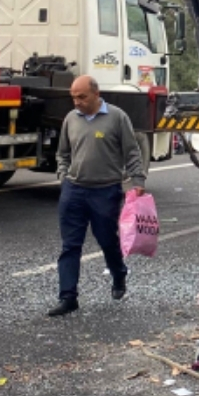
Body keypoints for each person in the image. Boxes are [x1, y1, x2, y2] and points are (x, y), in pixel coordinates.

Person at [49, 75, 147, 317]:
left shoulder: (116, 117)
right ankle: (68, 297)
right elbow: (62, 152)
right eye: (73, 97)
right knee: (70, 245)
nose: (77, 102)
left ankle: (119, 275)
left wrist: (138, 181)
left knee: (107, 241)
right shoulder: (71, 119)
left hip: (105, 191)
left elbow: (132, 152)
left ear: (96, 94)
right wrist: (63, 176)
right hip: (74, 190)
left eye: (82, 97)